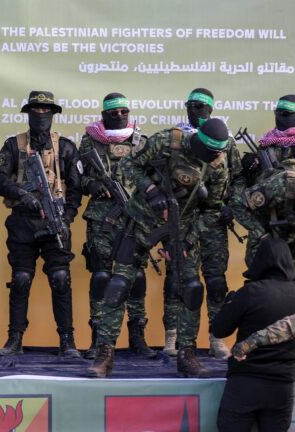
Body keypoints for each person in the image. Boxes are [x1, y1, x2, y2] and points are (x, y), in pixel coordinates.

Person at [87, 118, 230, 378]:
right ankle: (104, 354)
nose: (213, 157)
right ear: (198, 142)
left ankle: (186, 355)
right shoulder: (167, 141)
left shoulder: (218, 167)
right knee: (119, 285)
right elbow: (128, 165)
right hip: (141, 219)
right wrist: (151, 190)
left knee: (192, 288)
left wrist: (190, 239)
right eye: (209, 152)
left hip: (182, 227)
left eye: (217, 153)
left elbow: (212, 211)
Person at [0, 90, 82, 357]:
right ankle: (14, 339)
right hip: (23, 222)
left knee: (60, 278)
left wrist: (66, 218)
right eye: (36, 110)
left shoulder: (66, 147)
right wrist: (22, 195)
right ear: (28, 113)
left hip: (56, 222)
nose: (41, 115)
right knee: (21, 279)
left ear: (52, 114)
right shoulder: (13, 145)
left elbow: (76, 188)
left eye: (46, 110)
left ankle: (67, 340)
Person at [164, 88, 245, 359]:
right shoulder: (177, 139)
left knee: (216, 281)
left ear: (211, 110)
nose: (195, 110)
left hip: (213, 219)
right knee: (181, 280)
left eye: (201, 107)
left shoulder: (226, 142)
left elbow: (238, 178)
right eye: (191, 105)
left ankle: (217, 338)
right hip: (182, 219)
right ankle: (173, 337)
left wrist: (231, 205)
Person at [77, 92, 152, 359]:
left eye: (124, 112)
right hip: (101, 220)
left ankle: (137, 336)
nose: (119, 116)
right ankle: (98, 339)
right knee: (101, 276)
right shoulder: (90, 140)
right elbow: (77, 177)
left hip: (134, 218)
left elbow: (153, 179)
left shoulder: (142, 141)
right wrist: (92, 184)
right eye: (113, 113)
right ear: (103, 115)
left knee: (136, 277)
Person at [230, 171, 295, 376]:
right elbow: (238, 203)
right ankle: (259, 350)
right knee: (270, 293)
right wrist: (262, 234)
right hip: (271, 241)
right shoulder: (281, 186)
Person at [212, 237, 295, 432]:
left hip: (245, 383)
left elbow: (219, 330)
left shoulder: (250, 292)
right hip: (282, 386)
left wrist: (229, 303)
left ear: (259, 260)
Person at [258, 94, 295, 165]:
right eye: (277, 112)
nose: (280, 117)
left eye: (286, 113)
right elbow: (258, 161)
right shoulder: (268, 139)